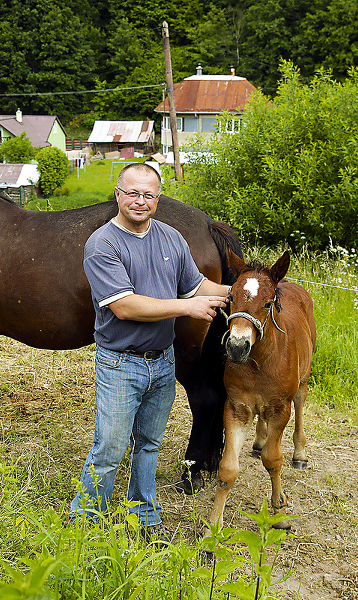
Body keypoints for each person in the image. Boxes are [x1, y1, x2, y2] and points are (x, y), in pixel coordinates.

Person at [70, 162, 229, 534]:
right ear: (118, 195)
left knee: (149, 444)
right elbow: (124, 305)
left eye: (148, 195)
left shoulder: (171, 238)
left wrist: (248, 291)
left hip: (163, 363)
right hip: (120, 364)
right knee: (109, 449)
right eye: (132, 193)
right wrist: (185, 308)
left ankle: (143, 513)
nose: (140, 201)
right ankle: (85, 519)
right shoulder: (102, 244)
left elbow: (197, 287)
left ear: (158, 198)